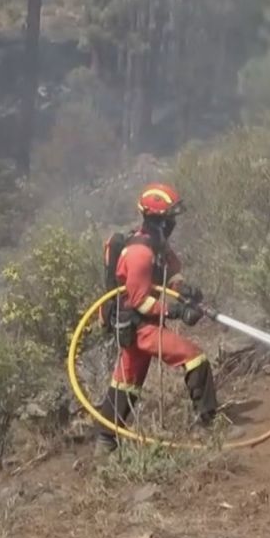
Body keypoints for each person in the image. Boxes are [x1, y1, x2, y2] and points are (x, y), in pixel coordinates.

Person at [94, 183, 217, 454]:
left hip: (141, 325)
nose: (174, 222)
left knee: (126, 382)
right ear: (159, 219)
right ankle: (210, 423)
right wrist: (176, 311)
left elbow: (172, 274)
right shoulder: (139, 253)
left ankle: (105, 440)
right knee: (194, 357)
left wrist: (185, 291)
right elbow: (140, 300)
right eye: (170, 217)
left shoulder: (158, 246)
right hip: (138, 327)